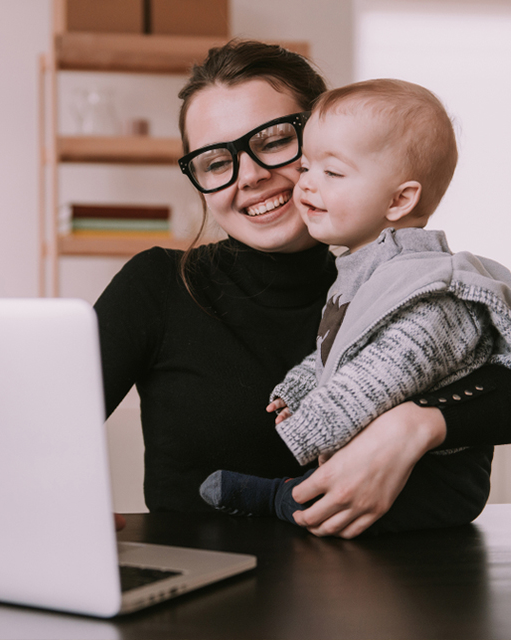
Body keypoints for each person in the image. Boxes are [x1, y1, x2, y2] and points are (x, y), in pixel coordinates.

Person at [95, 40, 511, 539]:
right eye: (214, 162)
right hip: (209, 601)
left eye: (272, 141)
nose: (249, 176)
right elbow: (33, 426)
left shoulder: (411, 284)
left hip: (406, 596)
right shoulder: (157, 286)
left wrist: (418, 426)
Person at [199, 78, 511, 534]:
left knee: (323, 507)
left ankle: (278, 499)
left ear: (400, 199)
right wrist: (301, 384)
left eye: (333, 174)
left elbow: (390, 367)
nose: (306, 185)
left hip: (434, 486)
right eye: (307, 168)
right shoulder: (360, 267)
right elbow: (340, 346)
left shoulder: (424, 281)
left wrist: (312, 423)